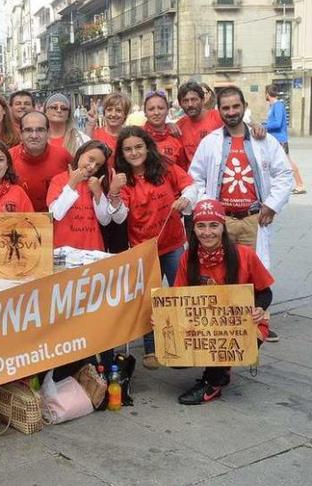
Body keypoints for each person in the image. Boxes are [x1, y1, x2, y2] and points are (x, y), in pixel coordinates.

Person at [189, 86, 293, 342]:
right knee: (222, 273)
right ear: (219, 110)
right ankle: (224, 325)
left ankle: (259, 324)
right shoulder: (210, 141)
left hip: (252, 218)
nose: (231, 112)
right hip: (221, 221)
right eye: (226, 108)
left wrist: (271, 204)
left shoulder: (263, 139)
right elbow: (195, 177)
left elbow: (285, 174)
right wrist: (207, 206)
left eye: (236, 106)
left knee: (254, 274)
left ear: (244, 106)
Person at [174, 199, 274, 405]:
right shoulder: (187, 258)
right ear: (193, 229)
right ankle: (222, 370)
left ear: (223, 227)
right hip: (205, 323)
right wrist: (163, 319)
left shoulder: (244, 254)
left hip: (243, 323)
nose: (207, 232)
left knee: (222, 337)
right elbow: (177, 300)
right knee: (174, 354)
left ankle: (213, 383)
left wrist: (259, 308)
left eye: (213, 225)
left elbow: (266, 292)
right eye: (201, 226)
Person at [113, 126, 197, 369]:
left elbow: (190, 185)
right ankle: (151, 348)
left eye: (138, 146)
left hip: (172, 243)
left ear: (147, 146)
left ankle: (184, 343)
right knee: (149, 299)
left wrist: (186, 198)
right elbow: (118, 217)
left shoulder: (165, 167)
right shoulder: (122, 179)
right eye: (128, 149)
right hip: (144, 248)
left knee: (179, 293)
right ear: (122, 153)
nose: (134, 152)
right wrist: (115, 193)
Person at [47, 140, 123, 250]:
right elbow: (56, 214)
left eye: (98, 165)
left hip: (93, 250)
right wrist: (72, 184)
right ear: (80, 153)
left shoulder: (98, 183)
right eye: (91, 159)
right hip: (64, 250)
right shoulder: (58, 179)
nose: (92, 167)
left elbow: (105, 220)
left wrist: (98, 193)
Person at [8, 111, 73, 212]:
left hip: (56, 221)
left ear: (48, 133)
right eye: (28, 130)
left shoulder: (63, 156)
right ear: (21, 134)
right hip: (19, 222)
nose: (34, 135)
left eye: (40, 130)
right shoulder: (8, 157)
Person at [264, 84, 305, 194]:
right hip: (275, 139)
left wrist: (264, 127)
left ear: (267, 93)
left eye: (265, 93)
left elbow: (277, 123)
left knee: (288, 161)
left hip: (280, 139)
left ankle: (300, 185)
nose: (265, 95)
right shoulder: (274, 106)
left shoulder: (278, 105)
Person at [176, 81, 225, 162]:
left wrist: (253, 127)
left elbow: (240, 127)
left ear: (202, 100)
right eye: (185, 101)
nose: (190, 104)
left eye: (194, 99)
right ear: (180, 104)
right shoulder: (179, 127)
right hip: (192, 173)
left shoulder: (218, 117)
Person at [143, 91, 188, 170]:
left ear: (167, 111)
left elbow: (183, 170)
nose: (156, 113)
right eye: (151, 109)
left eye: (161, 108)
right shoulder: (137, 136)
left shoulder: (176, 137)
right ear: (145, 113)